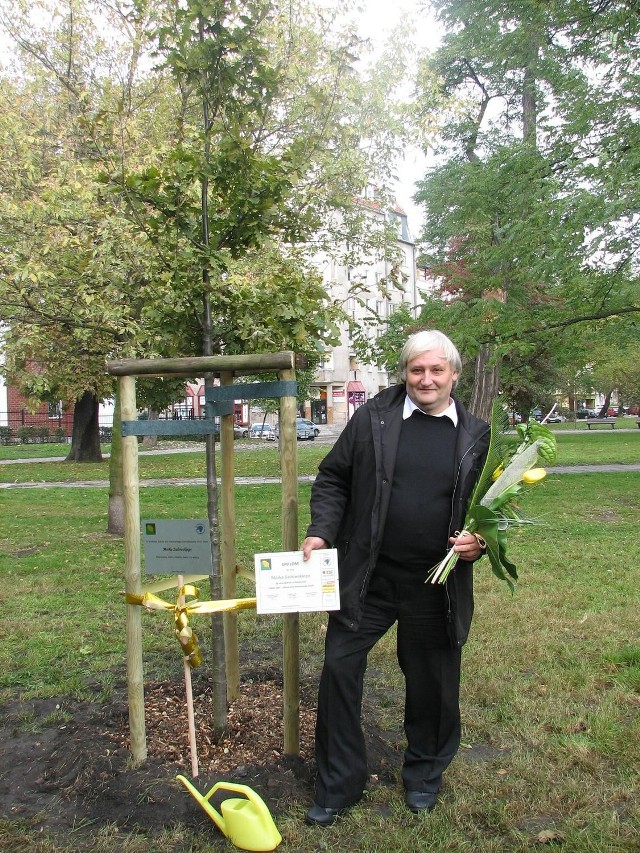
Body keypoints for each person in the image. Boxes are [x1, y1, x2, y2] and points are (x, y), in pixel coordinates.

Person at [301, 329, 491, 825]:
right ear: (405, 372)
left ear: (454, 374)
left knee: (432, 681)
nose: (425, 380)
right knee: (340, 670)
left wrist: (480, 543)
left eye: (436, 371)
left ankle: (425, 773)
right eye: (416, 370)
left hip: (435, 584)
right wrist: (321, 532)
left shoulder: (476, 433)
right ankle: (339, 784)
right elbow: (333, 477)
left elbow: (487, 512)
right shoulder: (375, 418)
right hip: (369, 578)